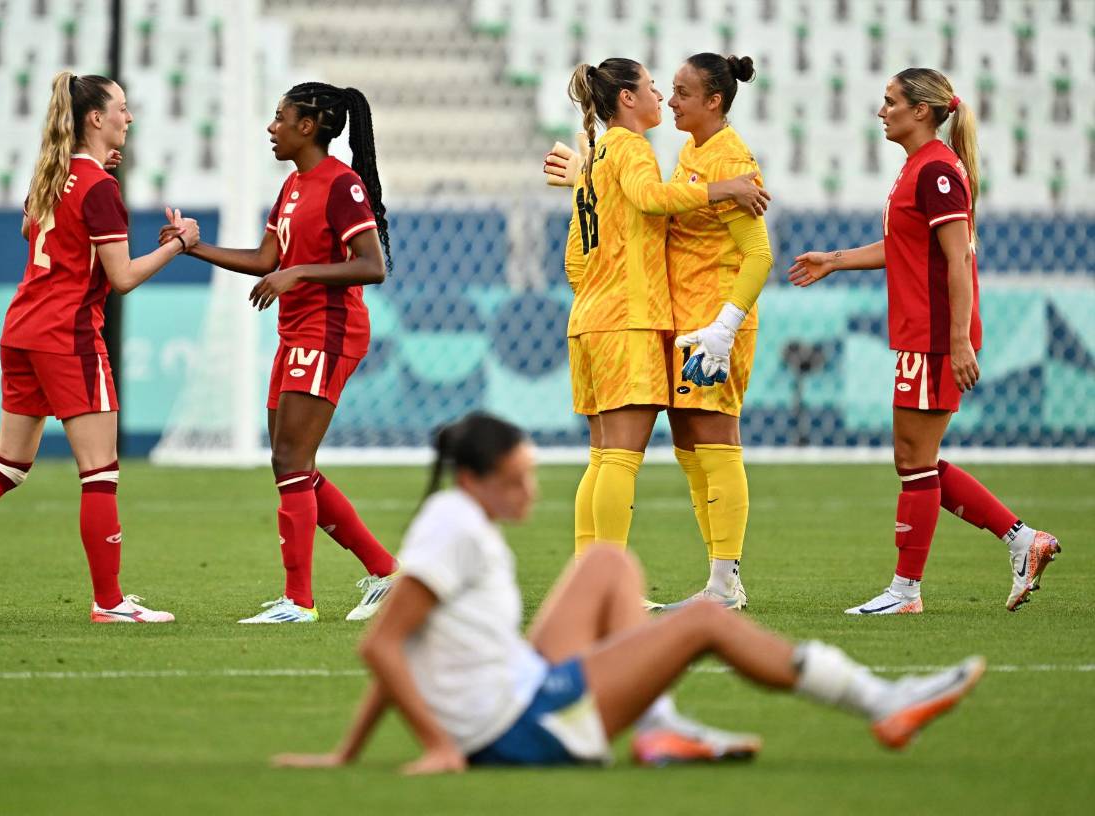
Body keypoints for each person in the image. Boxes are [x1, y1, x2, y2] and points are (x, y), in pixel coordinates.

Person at [272, 412, 985, 773]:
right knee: (705, 620)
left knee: (606, 563)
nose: (530, 490)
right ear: (473, 480)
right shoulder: (454, 527)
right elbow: (382, 645)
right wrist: (440, 747)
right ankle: (883, 703)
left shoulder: (457, 518)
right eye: (516, 479)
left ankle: (657, 728)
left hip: (524, 694)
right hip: (527, 730)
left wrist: (346, 756)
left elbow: (402, 639)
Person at [0, 72, 198, 623]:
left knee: (8, 465)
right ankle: (108, 603)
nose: (128, 118)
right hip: (69, 338)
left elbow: (30, 236)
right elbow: (123, 276)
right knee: (100, 472)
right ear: (95, 119)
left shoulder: (51, 176)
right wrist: (180, 244)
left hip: (21, 331)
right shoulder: (100, 188)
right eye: (122, 109)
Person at [786, 68, 1060, 614]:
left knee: (914, 460)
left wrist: (958, 340)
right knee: (919, 458)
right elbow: (904, 247)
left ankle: (906, 590)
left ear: (922, 111)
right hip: (922, 333)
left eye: (890, 102)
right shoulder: (920, 168)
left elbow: (959, 257)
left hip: (935, 335)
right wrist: (834, 261)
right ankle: (1024, 542)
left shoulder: (936, 171)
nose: (881, 111)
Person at [159, 83, 398, 624]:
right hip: (296, 332)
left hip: (329, 332)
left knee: (291, 461)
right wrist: (192, 248)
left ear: (308, 125)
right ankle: (385, 573)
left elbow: (371, 266)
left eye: (280, 117)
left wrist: (299, 271)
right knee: (293, 464)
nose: (272, 128)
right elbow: (267, 256)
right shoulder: (292, 185)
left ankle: (299, 602)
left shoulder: (342, 185)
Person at [556, 58, 769, 569]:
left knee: (604, 457)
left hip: (591, 319)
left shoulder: (597, 154)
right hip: (629, 319)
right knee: (622, 461)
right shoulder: (633, 148)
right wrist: (723, 189)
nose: (663, 99)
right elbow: (652, 200)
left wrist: (599, 292)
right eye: (655, 88)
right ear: (627, 98)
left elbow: (573, 261)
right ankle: (606, 588)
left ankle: (592, 582)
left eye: (674, 91)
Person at [662, 54, 775, 610]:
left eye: (682, 92)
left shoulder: (731, 156)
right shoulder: (694, 150)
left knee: (715, 438)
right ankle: (721, 579)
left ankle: (724, 580)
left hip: (714, 321)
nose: (670, 100)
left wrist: (726, 327)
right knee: (688, 443)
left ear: (714, 102)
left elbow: (759, 254)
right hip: (689, 318)